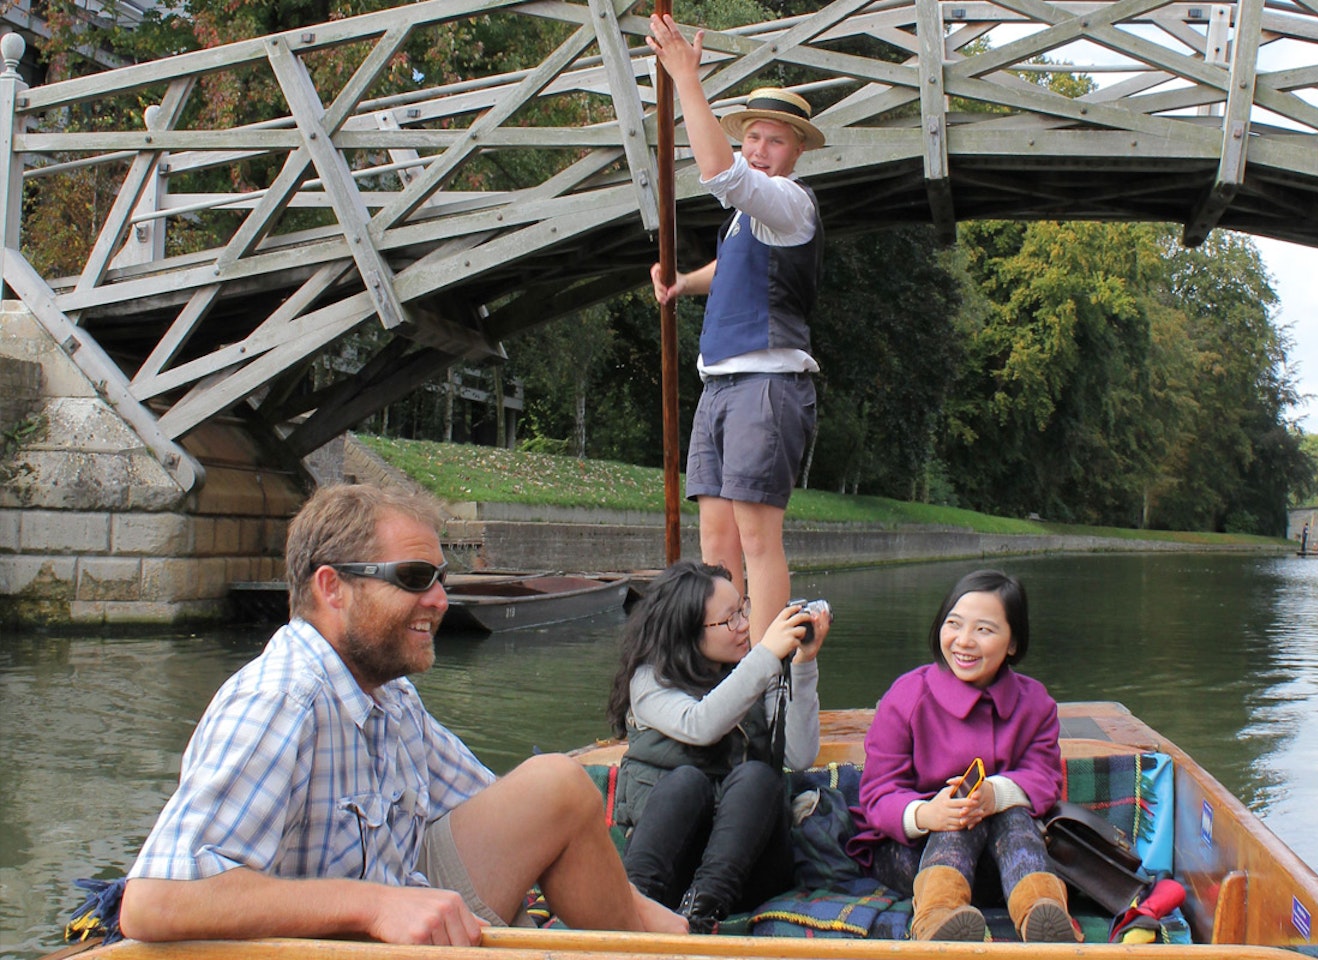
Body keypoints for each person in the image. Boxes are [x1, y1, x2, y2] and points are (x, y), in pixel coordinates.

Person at [118, 483, 686, 945]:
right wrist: (374, 904)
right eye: (414, 578)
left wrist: (652, 918)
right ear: (331, 588)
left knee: (557, 790)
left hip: (390, 904)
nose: (440, 600)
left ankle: (650, 944)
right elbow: (154, 901)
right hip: (321, 942)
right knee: (561, 783)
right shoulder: (280, 701)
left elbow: (487, 801)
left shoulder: (389, 694)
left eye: (442, 579)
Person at [646, 13, 826, 638]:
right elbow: (730, 267)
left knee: (755, 536)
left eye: (775, 141)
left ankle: (766, 669)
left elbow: (722, 175)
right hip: (720, 386)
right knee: (716, 538)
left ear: (796, 151)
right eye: (752, 136)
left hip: (766, 384)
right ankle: (722, 654)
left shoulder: (790, 203)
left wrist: (685, 81)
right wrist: (680, 284)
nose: (758, 150)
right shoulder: (749, 221)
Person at [846, 570, 1078, 943]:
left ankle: (1042, 914)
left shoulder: (1035, 703)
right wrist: (927, 814)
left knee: (1008, 813)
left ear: (1013, 642)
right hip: (911, 854)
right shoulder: (906, 697)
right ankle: (938, 918)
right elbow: (877, 794)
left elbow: (1045, 777)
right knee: (959, 821)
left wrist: (995, 796)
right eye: (954, 624)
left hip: (1004, 865)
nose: (964, 641)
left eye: (984, 630)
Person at [605, 559, 830, 933]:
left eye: (744, 609)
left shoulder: (756, 669)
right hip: (675, 863)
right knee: (685, 782)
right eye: (729, 620)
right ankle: (632, 901)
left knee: (758, 776)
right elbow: (701, 724)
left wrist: (803, 664)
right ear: (688, 631)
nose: (744, 625)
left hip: (747, 869)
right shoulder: (649, 681)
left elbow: (800, 756)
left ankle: (701, 914)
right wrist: (765, 658)